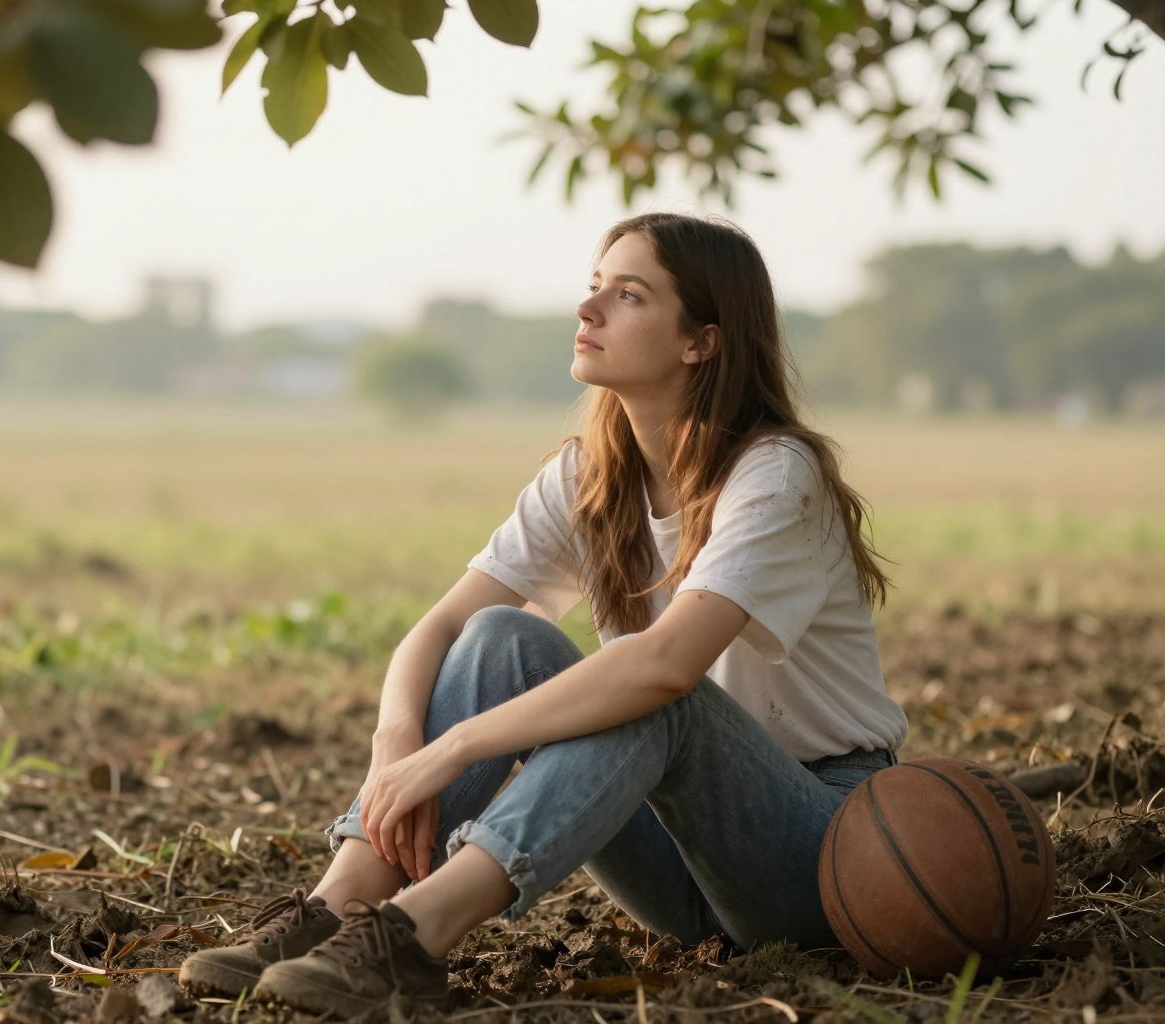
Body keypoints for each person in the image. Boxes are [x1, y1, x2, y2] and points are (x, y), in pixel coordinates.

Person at [178, 212, 909, 1018]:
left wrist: (457, 747)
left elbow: (666, 668)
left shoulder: (775, 474)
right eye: (594, 286)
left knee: (651, 693)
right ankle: (335, 909)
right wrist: (397, 747)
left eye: (628, 295)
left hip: (818, 858)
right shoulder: (590, 475)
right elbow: (442, 629)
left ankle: (411, 938)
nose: (587, 309)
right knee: (502, 637)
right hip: (678, 867)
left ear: (700, 341)